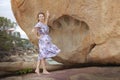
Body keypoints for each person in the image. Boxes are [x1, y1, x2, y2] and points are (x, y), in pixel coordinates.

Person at [33, 11, 61, 75]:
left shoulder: (44, 23)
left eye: (42, 16)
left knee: (42, 55)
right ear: (38, 18)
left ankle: (37, 69)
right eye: (40, 16)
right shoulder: (38, 24)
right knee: (43, 55)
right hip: (42, 41)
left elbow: (46, 24)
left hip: (47, 40)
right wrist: (37, 37)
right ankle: (44, 70)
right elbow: (34, 30)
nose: (41, 17)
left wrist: (47, 16)